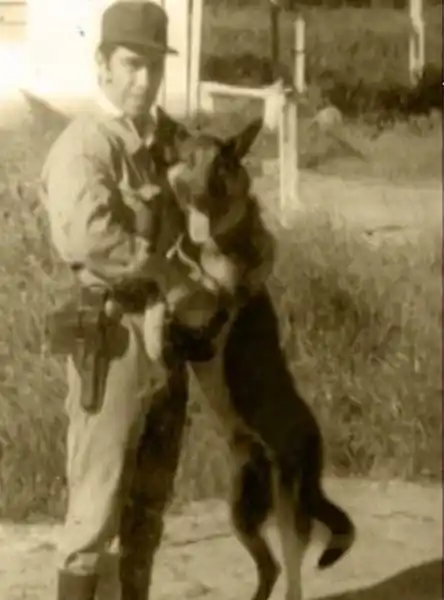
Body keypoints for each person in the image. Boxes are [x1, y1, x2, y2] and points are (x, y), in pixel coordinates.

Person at [39, 2, 224, 599]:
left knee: (147, 507)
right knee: (95, 510)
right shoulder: (86, 144)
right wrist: (168, 276)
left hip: (165, 338)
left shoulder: (167, 143)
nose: (144, 80)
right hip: (113, 335)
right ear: (103, 65)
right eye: (131, 64)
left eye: (154, 66)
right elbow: (88, 238)